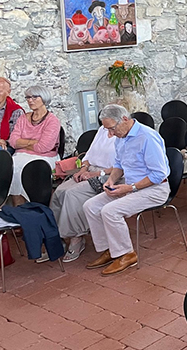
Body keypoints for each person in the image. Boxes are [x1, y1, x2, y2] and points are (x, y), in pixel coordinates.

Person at [83, 105, 169, 275]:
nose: (111, 134)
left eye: (112, 128)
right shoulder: (120, 138)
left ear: (124, 119)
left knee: (110, 211)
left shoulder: (147, 137)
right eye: (107, 129)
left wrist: (130, 187)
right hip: (132, 186)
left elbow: (159, 174)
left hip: (155, 189)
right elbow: (119, 165)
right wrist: (111, 180)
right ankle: (110, 249)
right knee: (90, 206)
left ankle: (126, 254)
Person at [50, 124, 117, 263]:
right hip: (89, 170)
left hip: (106, 175)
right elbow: (89, 154)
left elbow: (120, 166)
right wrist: (83, 169)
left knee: (72, 195)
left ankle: (77, 238)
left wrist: (96, 173)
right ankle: (57, 239)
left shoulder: (122, 135)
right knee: (59, 192)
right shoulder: (102, 130)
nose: (107, 128)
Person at [9, 85, 62, 206]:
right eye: (28, 97)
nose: (30, 100)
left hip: (44, 157)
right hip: (21, 155)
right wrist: (33, 141)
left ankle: (35, 209)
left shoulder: (52, 121)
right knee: (12, 166)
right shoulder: (23, 118)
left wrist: (23, 142)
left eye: (34, 97)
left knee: (27, 168)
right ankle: (19, 211)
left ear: (44, 98)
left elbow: (43, 147)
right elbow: (13, 141)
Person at [0, 76, 24, 153]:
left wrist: (4, 142)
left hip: (1, 147)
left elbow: (17, 138)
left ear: (8, 92)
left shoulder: (16, 111)